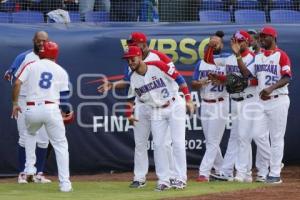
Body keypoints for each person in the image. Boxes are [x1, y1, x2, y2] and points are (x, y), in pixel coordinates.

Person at [98, 32, 177, 189]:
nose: (131, 46)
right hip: (142, 104)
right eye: (130, 43)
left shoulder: (159, 57)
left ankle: (171, 177)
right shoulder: (131, 59)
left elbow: (174, 77)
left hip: (160, 105)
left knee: (164, 143)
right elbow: (129, 83)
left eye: (133, 43)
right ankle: (139, 178)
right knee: (140, 143)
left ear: (143, 44)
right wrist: (113, 86)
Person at [122, 46, 194, 191]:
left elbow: (179, 79)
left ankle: (180, 179)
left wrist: (188, 98)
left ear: (140, 57)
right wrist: (128, 113)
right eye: (128, 60)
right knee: (159, 145)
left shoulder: (158, 66)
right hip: (156, 110)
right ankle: (164, 180)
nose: (130, 62)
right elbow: (131, 97)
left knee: (178, 142)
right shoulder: (133, 78)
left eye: (132, 59)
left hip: (174, 105)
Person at [11, 41, 73, 192]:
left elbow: (17, 83)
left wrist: (14, 102)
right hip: (51, 108)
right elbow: (64, 98)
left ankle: (30, 168)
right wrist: (66, 111)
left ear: (43, 53)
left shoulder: (31, 65)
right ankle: (65, 184)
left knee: (30, 134)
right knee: (60, 145)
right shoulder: (60, 70)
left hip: (31, 108)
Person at [234, 26, 291, 184]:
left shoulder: (281, 55)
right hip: (262, 102)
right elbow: (247, 74)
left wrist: (271, 88)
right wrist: (238, 56)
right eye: (260, 37)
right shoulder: (258, 57)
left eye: (264, 37)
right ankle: (275, 164)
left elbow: (287, 77)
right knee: (258, 135)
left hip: (278, 99)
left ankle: (274, 173)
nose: (261, 39)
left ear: (273, 37)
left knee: (277, 138)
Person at [4, 31, 51, 184]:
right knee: (24, 136)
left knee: (44, 139)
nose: (41, 43)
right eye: (39, 40)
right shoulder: (24, 57)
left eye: (44, 40)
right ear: (34, 40)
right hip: (24, 99)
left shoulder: (51, 57)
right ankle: (23, 173)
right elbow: (12, 75)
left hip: (42, 100)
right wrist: (15, 102)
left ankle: (39, 173)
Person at [192, 33, 229, 182]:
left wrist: (222, 80)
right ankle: (221, 170)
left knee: (213, 141)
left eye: (217, 43)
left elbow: (234, 80)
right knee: (210, 141)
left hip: (221, 102)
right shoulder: (201, 63)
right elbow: (193, 83)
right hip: (205, 103)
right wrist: (200, 83)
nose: (214, 45)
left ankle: (204, 173)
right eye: (211, 43)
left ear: (221, 44)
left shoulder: (227, 60)